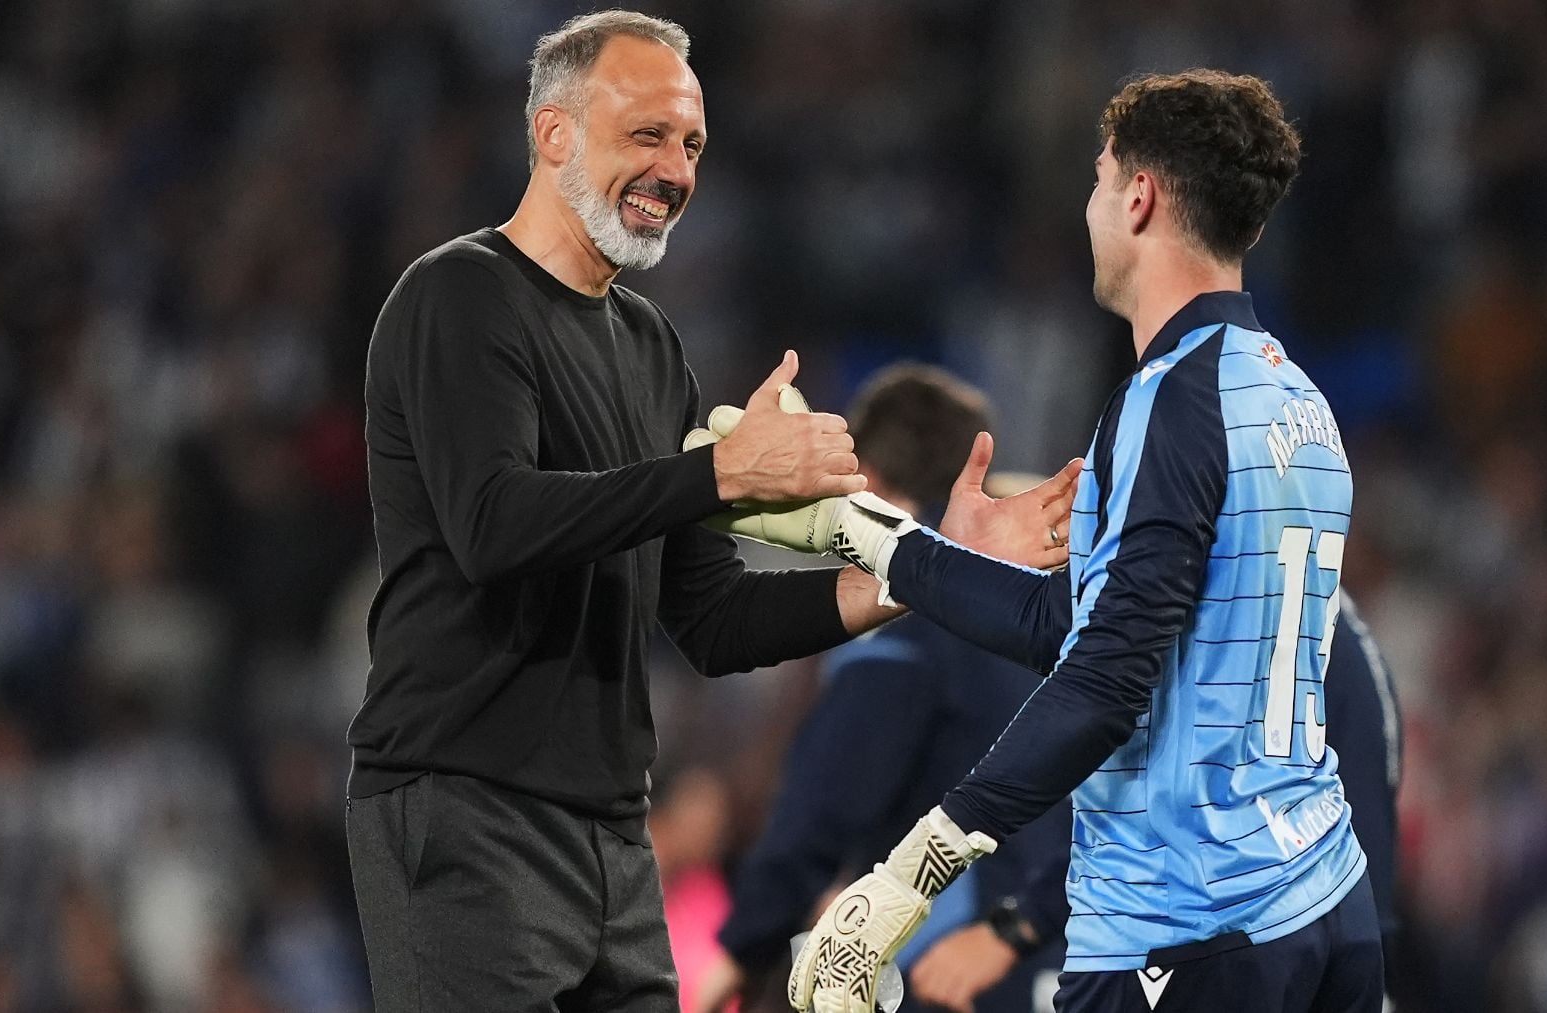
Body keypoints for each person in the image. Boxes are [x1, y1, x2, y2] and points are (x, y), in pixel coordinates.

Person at [343, 11, 1072, 1011]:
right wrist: (721, 473)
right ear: (552, 133)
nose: (675, 170)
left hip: (611, 833)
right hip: (466, 807)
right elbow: (493, 525)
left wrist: (928, 568)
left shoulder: (650, 347)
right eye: (646, 134)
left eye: (690, 144)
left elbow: (715, 617)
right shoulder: (459, 297)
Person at [722, 71, 1382, 1012]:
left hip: (1188, 927)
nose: (1090, 207)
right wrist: (864, 532)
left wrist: (911, 873)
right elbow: (1074, 626)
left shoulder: (1173, 400)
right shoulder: (1299, 402)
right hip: (1322, 905)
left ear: (1139, 197)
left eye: (1098, 179)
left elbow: (1106, 681)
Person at [691, 366, 1071, 1013]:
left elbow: (824, 806)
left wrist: (744, 943)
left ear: (863, 478)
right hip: (1062, 956)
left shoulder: (908, 638)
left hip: (947, 970)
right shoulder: (1042, 621)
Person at [907, 590, 1403, 1012]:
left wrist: (1017, 927)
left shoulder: (1236, 605)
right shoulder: (1313, 608)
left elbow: (1182, 817)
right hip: (1321, 946)